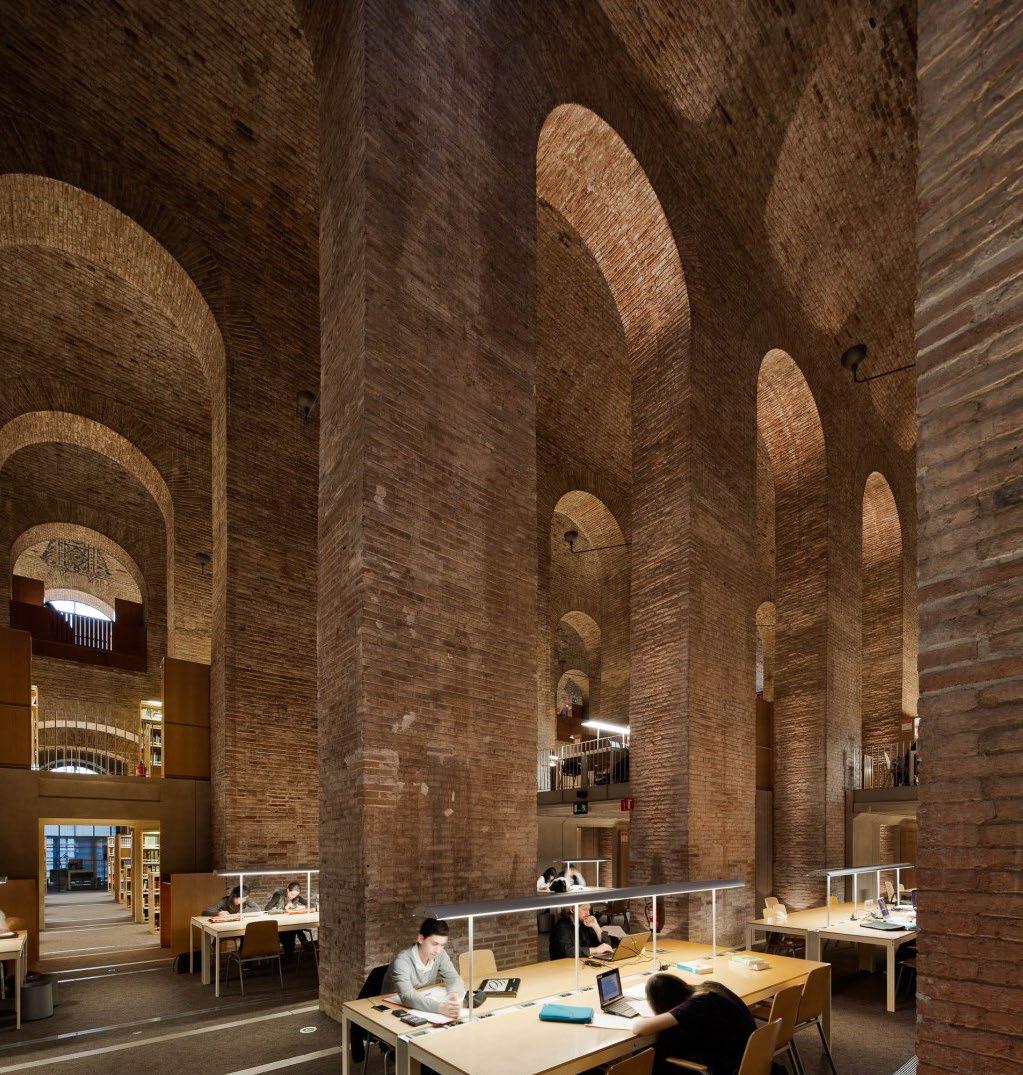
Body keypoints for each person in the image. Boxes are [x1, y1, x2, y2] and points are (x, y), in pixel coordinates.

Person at [632, 973, 756, 1075]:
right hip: (751, 1058)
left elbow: (639, 1028)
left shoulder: (695, 1005)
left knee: (657, 1053)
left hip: (731, 1068)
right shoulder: (711, 987)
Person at [381, 917, 465, 1017]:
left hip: (422, 1005)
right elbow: (407, 996)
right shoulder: (402, 961)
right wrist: (440, 1008)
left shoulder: (440, 954)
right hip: (392, 1009)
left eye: (442, 945)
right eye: (434, 944)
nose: (438, 950)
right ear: (420, 939)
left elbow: (454, 978)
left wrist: (454, 996)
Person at [548, 903, 619, 960]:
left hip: (583, 963)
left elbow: (607, 946)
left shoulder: (586, 923)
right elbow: (567, 951)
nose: (588, 913)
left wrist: (596, 927)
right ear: (572, 909)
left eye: (589, 909)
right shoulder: (561, 926)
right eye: (584, 909)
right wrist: (596, 950)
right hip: (564, 967)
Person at [264, 881, 314, 961]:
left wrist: (301, 907)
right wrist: (285, 909)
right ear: (288, 890)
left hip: (290, 923)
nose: (293, 897)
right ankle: (304, 942)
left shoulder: (296, 897)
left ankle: (300, 946)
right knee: (293, 931)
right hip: (280, 925)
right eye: (292, 894)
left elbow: (311, 904)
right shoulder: (278, 895)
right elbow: (267, 909)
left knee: (295, 926)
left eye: (296, 895)